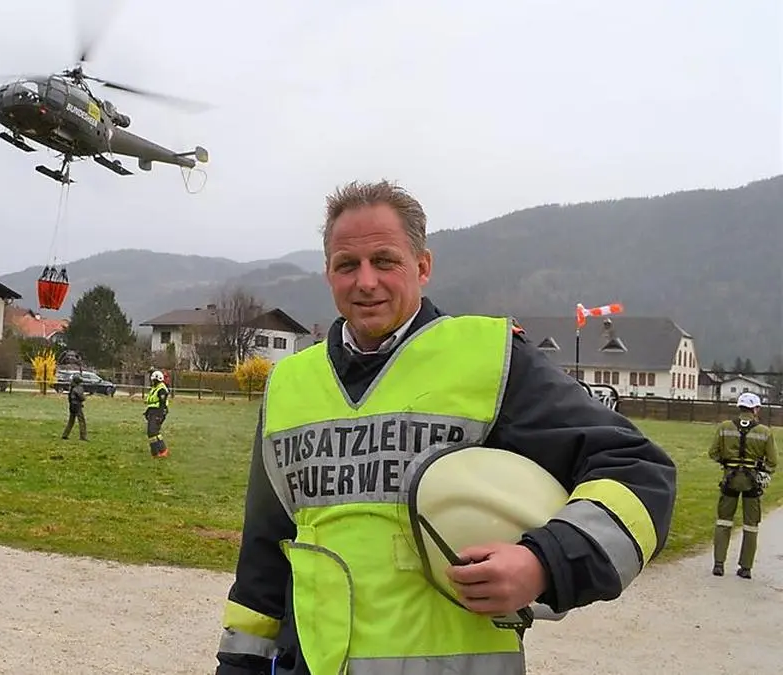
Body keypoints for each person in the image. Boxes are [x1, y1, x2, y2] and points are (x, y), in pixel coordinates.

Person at [214, 180, 678, 675]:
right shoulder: (290, 384)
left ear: (423, 266)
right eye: (347, 265)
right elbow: (266, 549)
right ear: (328, 273)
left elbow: (639, 471)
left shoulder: (489, 361)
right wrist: (240, 664)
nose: (365, 281)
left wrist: (543, 562)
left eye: (385, 261)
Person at [710, 391, 777, 579]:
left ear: (739, 407)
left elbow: (713, 453)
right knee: (751, 525)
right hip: (752, 483)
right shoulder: (765, 432)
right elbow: (772, 461)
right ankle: (746, 567)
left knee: (723, 522)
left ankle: (718, 564)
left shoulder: (724, 427)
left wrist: (727, 462)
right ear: (755, 409)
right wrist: (763, 471)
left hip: (729, 479)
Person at [145, 370, 170, 458]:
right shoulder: (155, 388)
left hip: (158, 412)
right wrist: (148, 411)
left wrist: (160, 415)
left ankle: (163, 450)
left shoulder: (161, 389)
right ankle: (155, 452)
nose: (152, 382)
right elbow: (152, 401)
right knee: (150, 433)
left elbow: (162, 404)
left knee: (154, 431)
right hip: (153, 411)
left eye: (153, 380)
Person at [61, 373, 89, 441]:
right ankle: (83, 436)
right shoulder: (78, 388)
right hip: (77, 406)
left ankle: (65, 434)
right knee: (82, 421)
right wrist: (84, 397)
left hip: (72, 406)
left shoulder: (72, 387)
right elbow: (81, 398)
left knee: (71, 421)